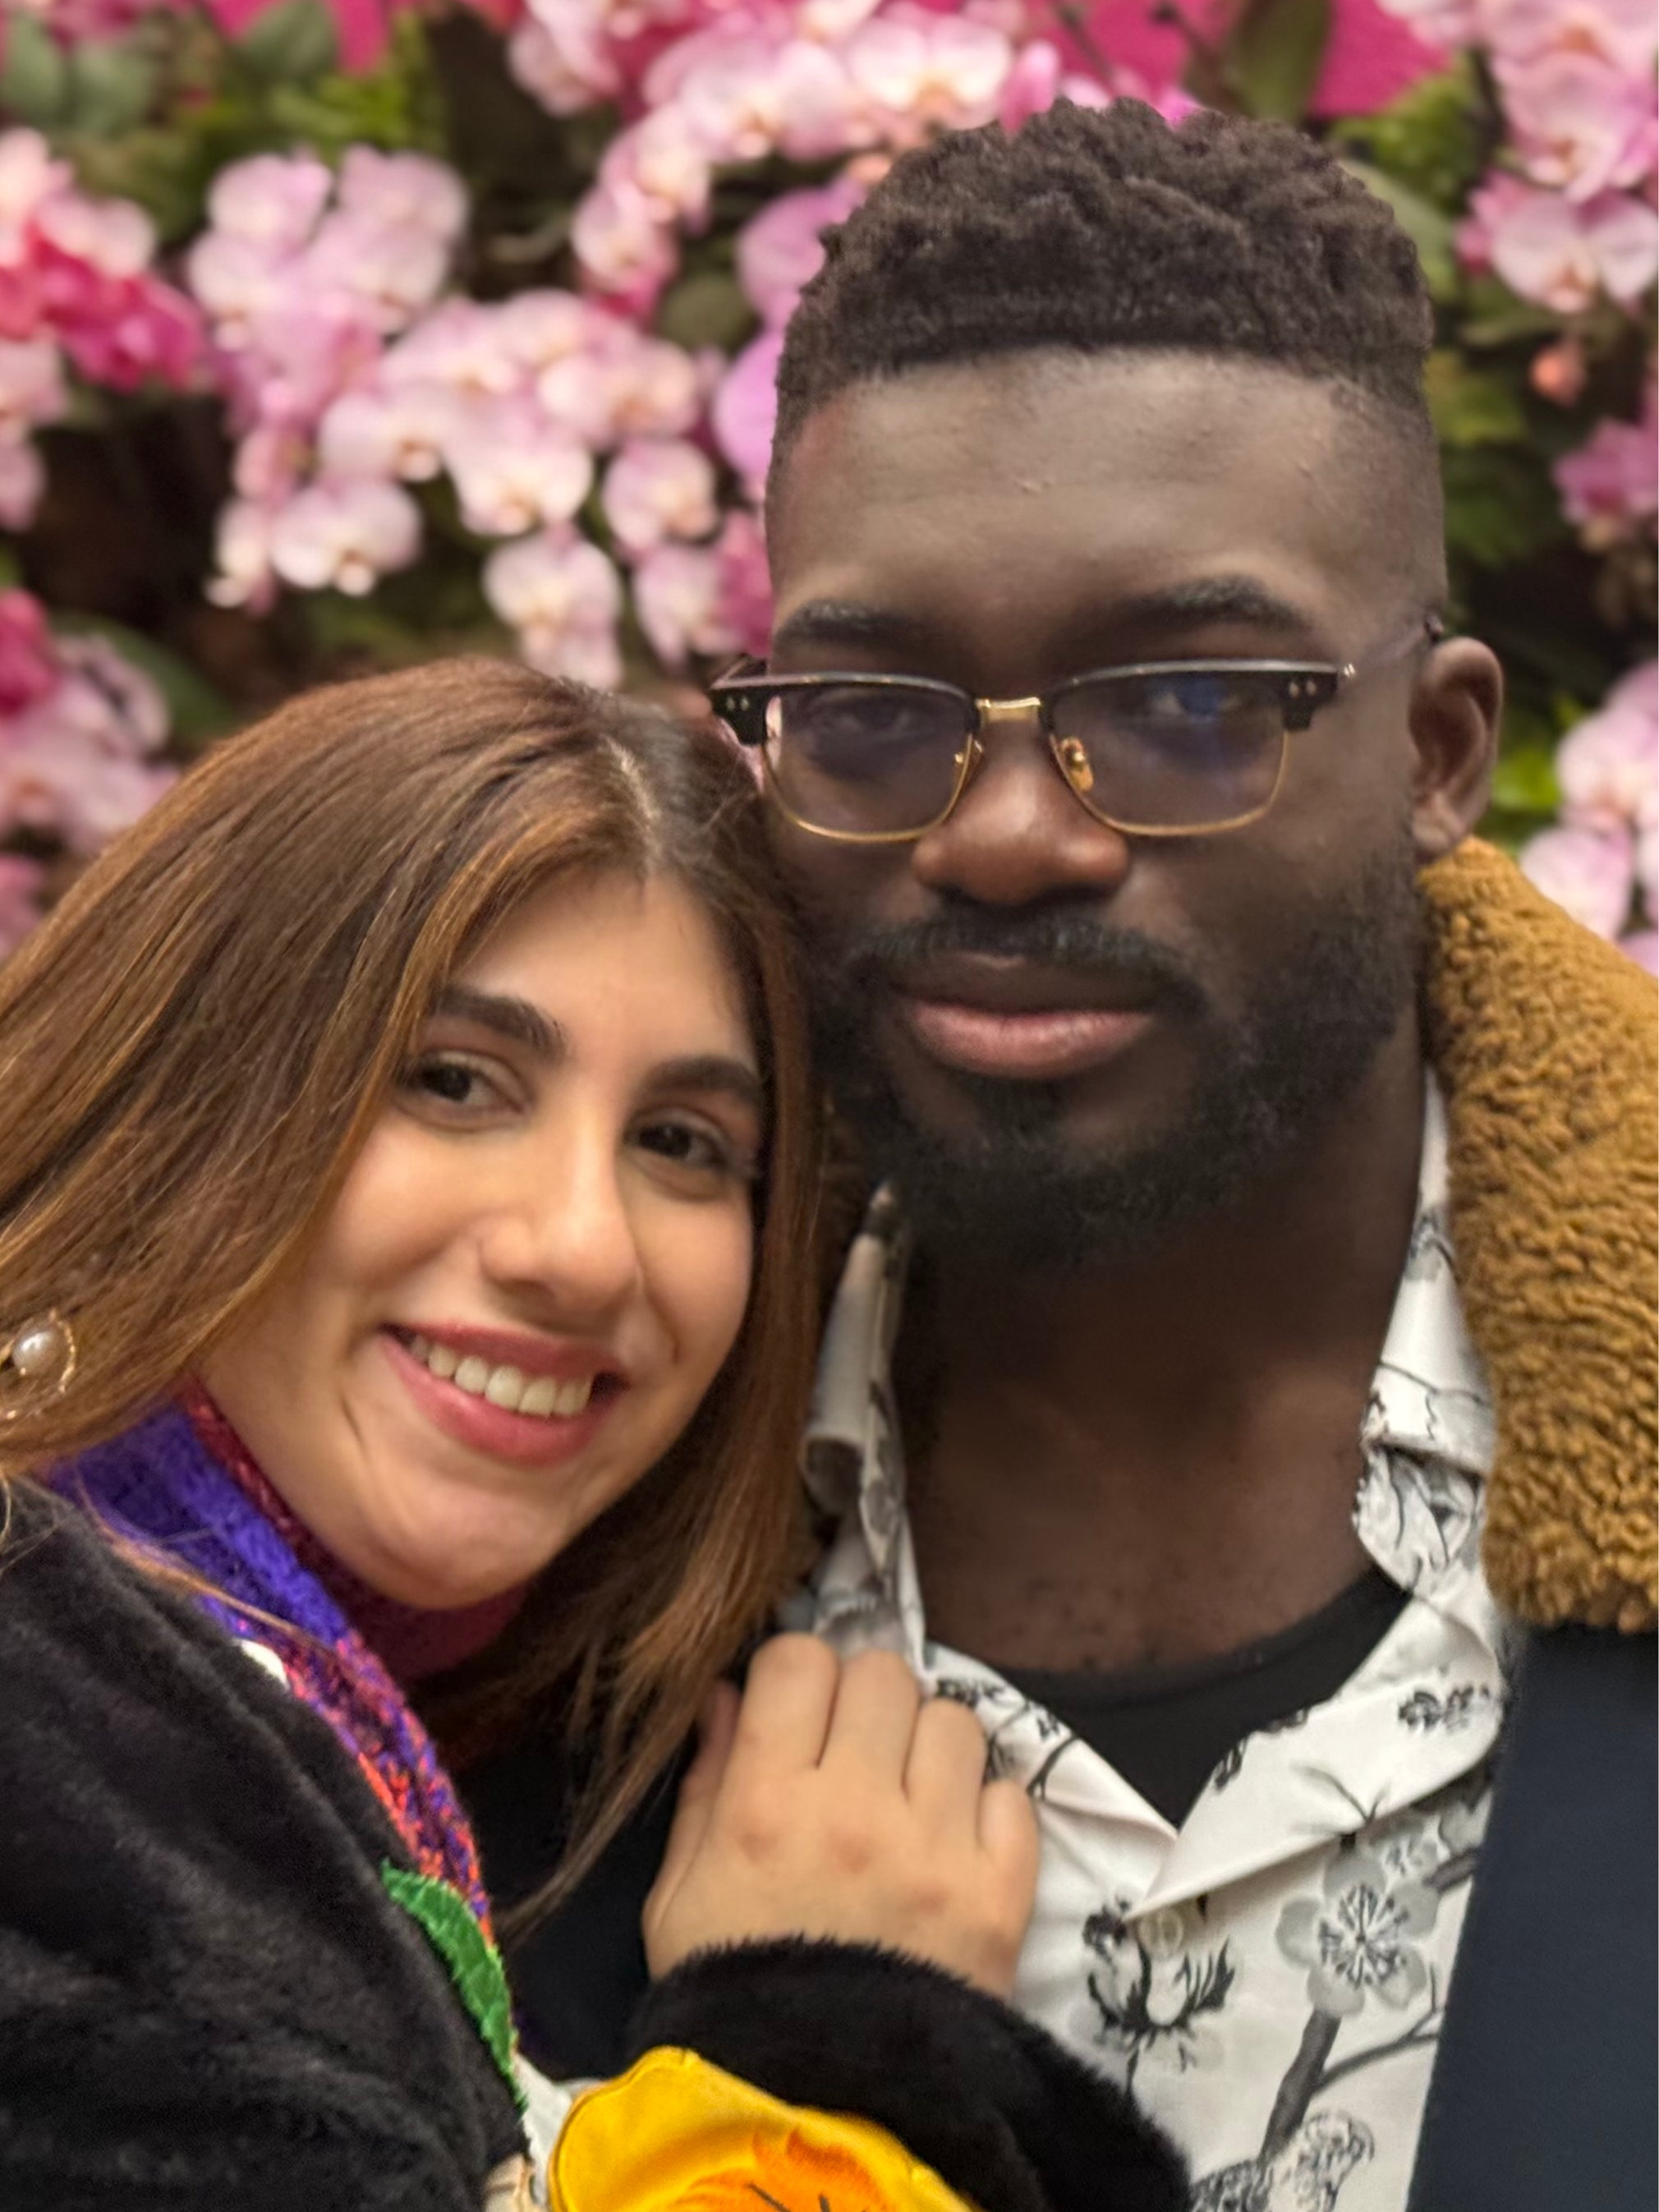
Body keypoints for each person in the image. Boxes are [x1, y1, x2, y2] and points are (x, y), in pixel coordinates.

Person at [480, 102, 1659, 2212]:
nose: (1007, 834)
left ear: (1435, 752)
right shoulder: (529, 1524)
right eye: (868, 712)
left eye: (1189, 704)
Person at [0, 659, 1184, 2212]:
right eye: (452, 1082)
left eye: (683, 1144)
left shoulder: (623, 1769)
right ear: (177, 1098)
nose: (582, 1248)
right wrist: (818, 2074)